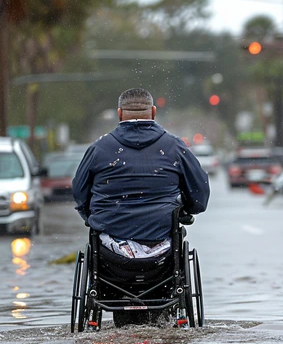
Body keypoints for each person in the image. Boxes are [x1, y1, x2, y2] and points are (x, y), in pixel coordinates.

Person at [72, 88, 210, 257]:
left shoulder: (99, 149)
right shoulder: (175, 147)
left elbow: (80, 193)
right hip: (163, 245)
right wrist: (186, 210)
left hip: (110, 251)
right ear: (153, 112)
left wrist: (92, 216)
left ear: (119, 114)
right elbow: (199, 194)